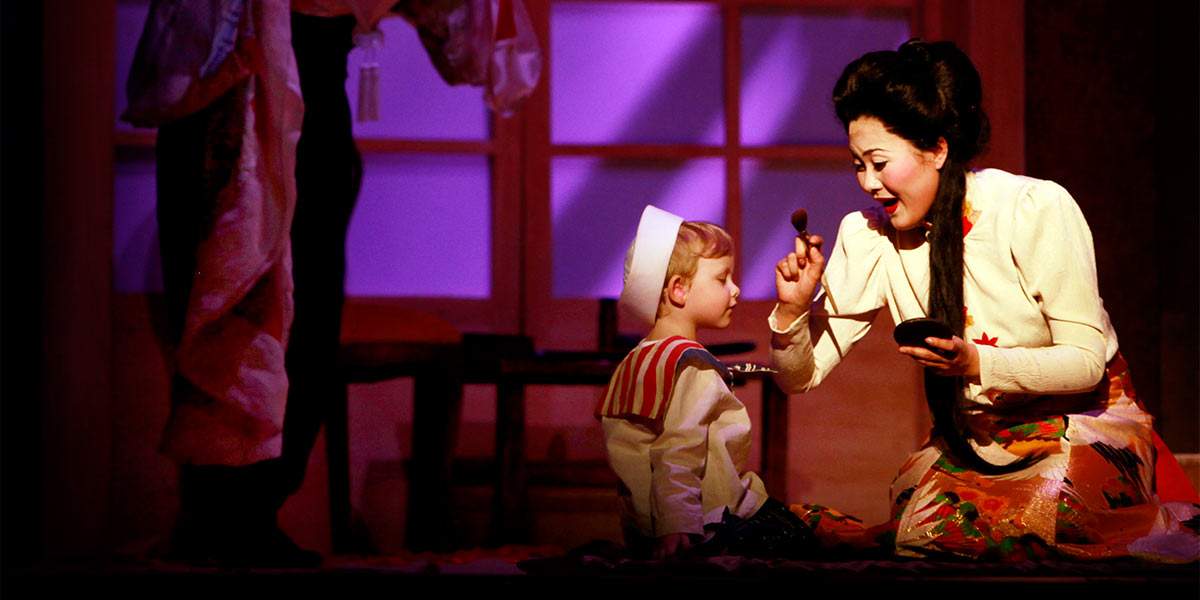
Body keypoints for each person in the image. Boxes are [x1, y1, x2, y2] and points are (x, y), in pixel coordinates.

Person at [769, 39, 1199, 561]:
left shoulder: (1031, 208)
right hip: (975, 436)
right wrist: (792, 311)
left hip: (1081, 419)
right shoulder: (870, 237)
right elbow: (799, 377)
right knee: (922, 531)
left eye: (879, 163)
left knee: (1038, 522)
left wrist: (977, 362)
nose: (868, 183)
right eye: (858, 164)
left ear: (938, 149)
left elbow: (1086, 364)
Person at [597, 205, 816, 560]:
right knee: (804, 538)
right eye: (722, 278)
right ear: (679, 290)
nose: (735, 289)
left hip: (648, 528)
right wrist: (677, 526)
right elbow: (678, 451)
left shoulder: (637, 359)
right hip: (710, 522)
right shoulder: (689, 364)